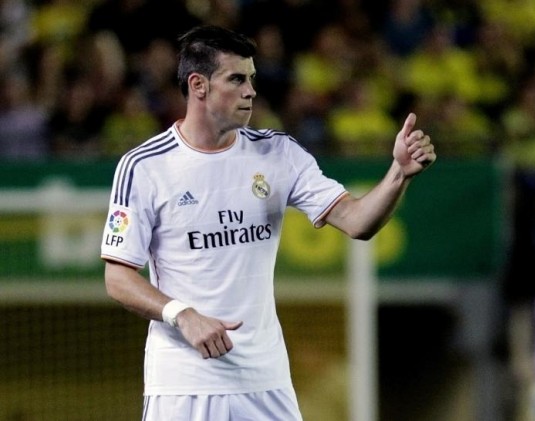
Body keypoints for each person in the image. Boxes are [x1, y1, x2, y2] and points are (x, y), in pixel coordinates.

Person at [100, 25, 435, 421]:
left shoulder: (279, 154)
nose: (251, 91)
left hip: (265, 383)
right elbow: (117, 277)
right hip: (184, 383)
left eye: (252, 79)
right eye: (236, 79)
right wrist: (182, 315)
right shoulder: (145, 167)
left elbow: (357, 222)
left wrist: (399, 173)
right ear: (198, 85)